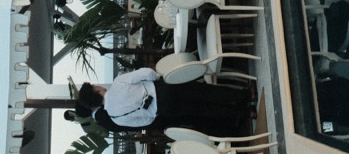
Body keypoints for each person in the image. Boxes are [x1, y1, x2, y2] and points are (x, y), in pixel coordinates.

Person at [78, 69, 251, 137]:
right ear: (97, 91)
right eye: (94, 86)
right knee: (206, 93)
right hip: (163, 90)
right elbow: (146, 72)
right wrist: (156, 79)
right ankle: (244, 96)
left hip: (165, 109)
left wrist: (153, 111)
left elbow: (144, 122)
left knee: (203, 110)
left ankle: (244, 114)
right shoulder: (118, 83)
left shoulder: (115, 117)